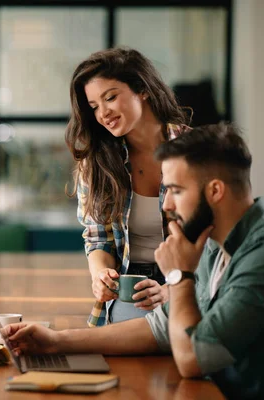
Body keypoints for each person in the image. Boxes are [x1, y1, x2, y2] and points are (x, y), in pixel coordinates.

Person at [6, 123, 264, 399]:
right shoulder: (215, 243)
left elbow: (193, 359)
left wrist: (180, 276)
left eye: (176, 191)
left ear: (215, 191)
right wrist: (55, 341)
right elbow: (159, 329)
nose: (166, 205)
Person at [65, 47, 190, 326]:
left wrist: (172, 289)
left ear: (142, 89)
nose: (103, 113)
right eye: (94, 106)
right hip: (132, 286)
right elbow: (97, 240)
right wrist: (101, 276)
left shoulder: (196, 152)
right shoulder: (96, 164)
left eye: (110, 97)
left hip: (190, 283)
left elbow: (215, 246)